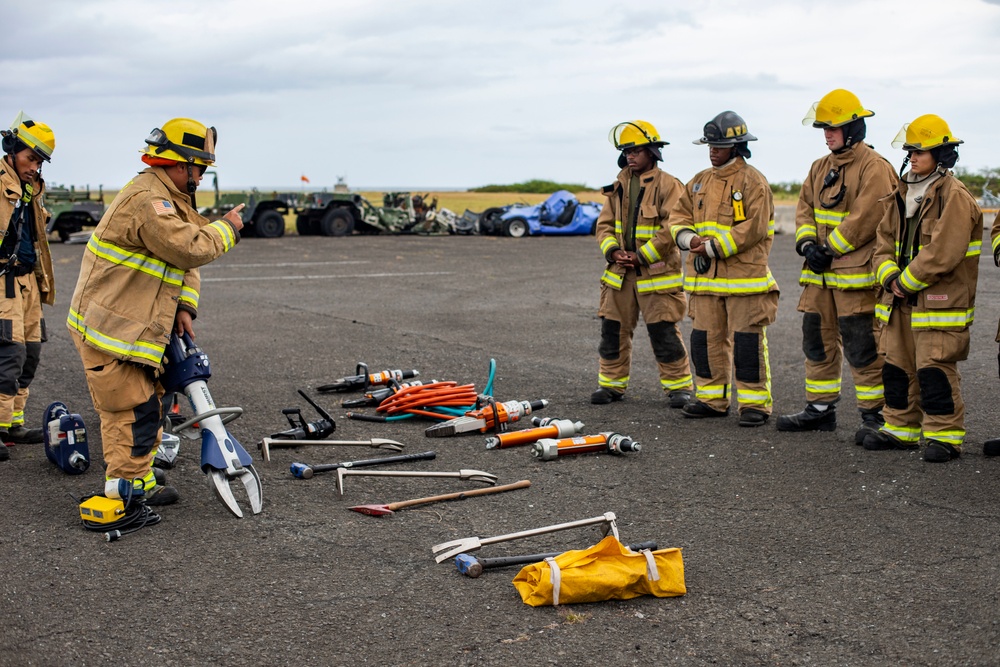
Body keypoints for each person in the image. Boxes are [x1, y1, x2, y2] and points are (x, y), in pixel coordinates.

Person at [67, 118, 244, 501]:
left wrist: (184, 305)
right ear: (182, 164)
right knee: (129, 410)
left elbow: (183, 263)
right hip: (111, 329)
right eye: (200, 167)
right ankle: (123, 494)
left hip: (140, 324)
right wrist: (227, 228)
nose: (201, 176)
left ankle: (141, 480)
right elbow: (189, 247)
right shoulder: (149, 200)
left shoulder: (171, 198)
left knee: (154, 403)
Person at [776, 90, 896, 443]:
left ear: (854, 128)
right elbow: (804, 209)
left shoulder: (875, 167)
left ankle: (875, 415)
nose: (827, 134)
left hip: (855, 278)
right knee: (816, 341)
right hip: (820, 280)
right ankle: (819, 410)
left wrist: (828, 249)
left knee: (863, 346)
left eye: (833, 127)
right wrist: (807, 244)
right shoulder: (819, 167)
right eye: (824, 128)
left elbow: (866, 218)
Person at [864, 114, 982, 463]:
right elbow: (882, 242)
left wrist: (904, 282)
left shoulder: (954, 196)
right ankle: (900, 429)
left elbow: (944, 252)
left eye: (921, 151)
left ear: (941, 155)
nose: (913, 156)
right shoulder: (902, 193)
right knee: (897, 366)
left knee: (934, 368)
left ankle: (945, 436)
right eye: (910, 150)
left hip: (939, 302)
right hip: (901, 298)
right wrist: (889, 278)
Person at [669, 111, 779, 427]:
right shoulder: (699, 181)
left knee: (747, 344)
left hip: (745, 281)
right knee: (705, 341)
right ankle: (710, 399)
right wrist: (690, 240)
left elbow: (754, 228)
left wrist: (712, 247)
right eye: (710, 145)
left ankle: (754, 406)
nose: (712, 151)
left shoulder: (753, 181)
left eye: (719, 145)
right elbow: (678, 218)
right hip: (705, 282)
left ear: (737, 146)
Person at [591, 120, 692, 407]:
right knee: (612, 331)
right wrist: (613, 253)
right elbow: (604, 225)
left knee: (664, 332)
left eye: (636, 150)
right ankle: (610, 385)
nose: (630, 156)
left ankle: (679, 388)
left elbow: (672, 227)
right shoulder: (617, 185)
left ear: (652, 152)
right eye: (626, 151)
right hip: (619, 275)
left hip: (656, 275)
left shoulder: (670, 185)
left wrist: (643, 255)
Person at [0, 112, 56, 463]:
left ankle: (13, 424)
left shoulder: (30, 189)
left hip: (28, 281)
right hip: (2, 281)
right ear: (11, 150)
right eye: (30, 157)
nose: (34, 166)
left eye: (39, 161)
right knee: (9, 354)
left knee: (31, 353)